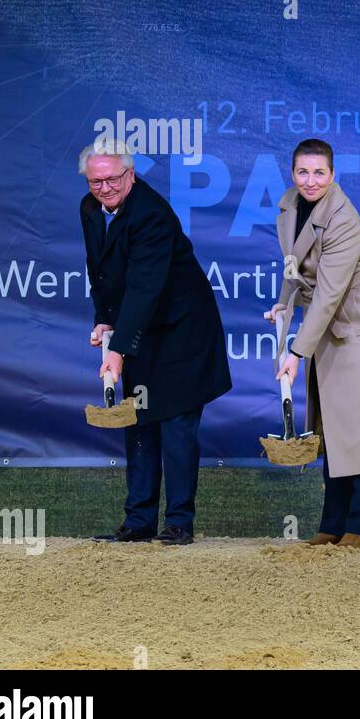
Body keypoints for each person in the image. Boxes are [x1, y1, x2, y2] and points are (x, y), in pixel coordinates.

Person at [265, 138, 360, 549]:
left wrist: (297, 351)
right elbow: (294, 268)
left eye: (319, 173)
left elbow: (331, 292)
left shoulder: (345, 219)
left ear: (333, 175)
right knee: (332, 424)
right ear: (292, 173)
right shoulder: (290, 206)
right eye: (302, 172)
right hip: (326, 320)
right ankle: (331, 523)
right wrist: (282, 304)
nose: (310, 181)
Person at [80, 138, 231, 546]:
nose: (105, 188)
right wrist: (104, 320)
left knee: (177, 425)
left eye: (112, 179)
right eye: (96, 181)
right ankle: (138, 520)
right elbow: (102, 273)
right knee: (139, 419)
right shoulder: (91, 209)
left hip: (183, 329)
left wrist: (116, 348)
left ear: (130, 174)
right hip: (141, 330)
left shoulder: (151, 216)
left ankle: (179, 523)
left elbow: (146, 287)